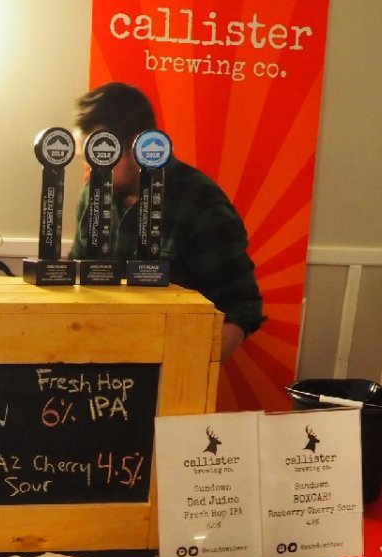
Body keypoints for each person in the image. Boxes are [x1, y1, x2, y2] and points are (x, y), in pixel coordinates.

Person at [69, 82, 263, 360]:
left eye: (100, 157)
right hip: (98, 361)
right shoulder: (93, 194)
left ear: (136, 146)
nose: (88, 173)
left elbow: (240, 308)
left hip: (171, 366)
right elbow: (76, 276)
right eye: (87, 159)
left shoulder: (201, 202)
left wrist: (189, 367)